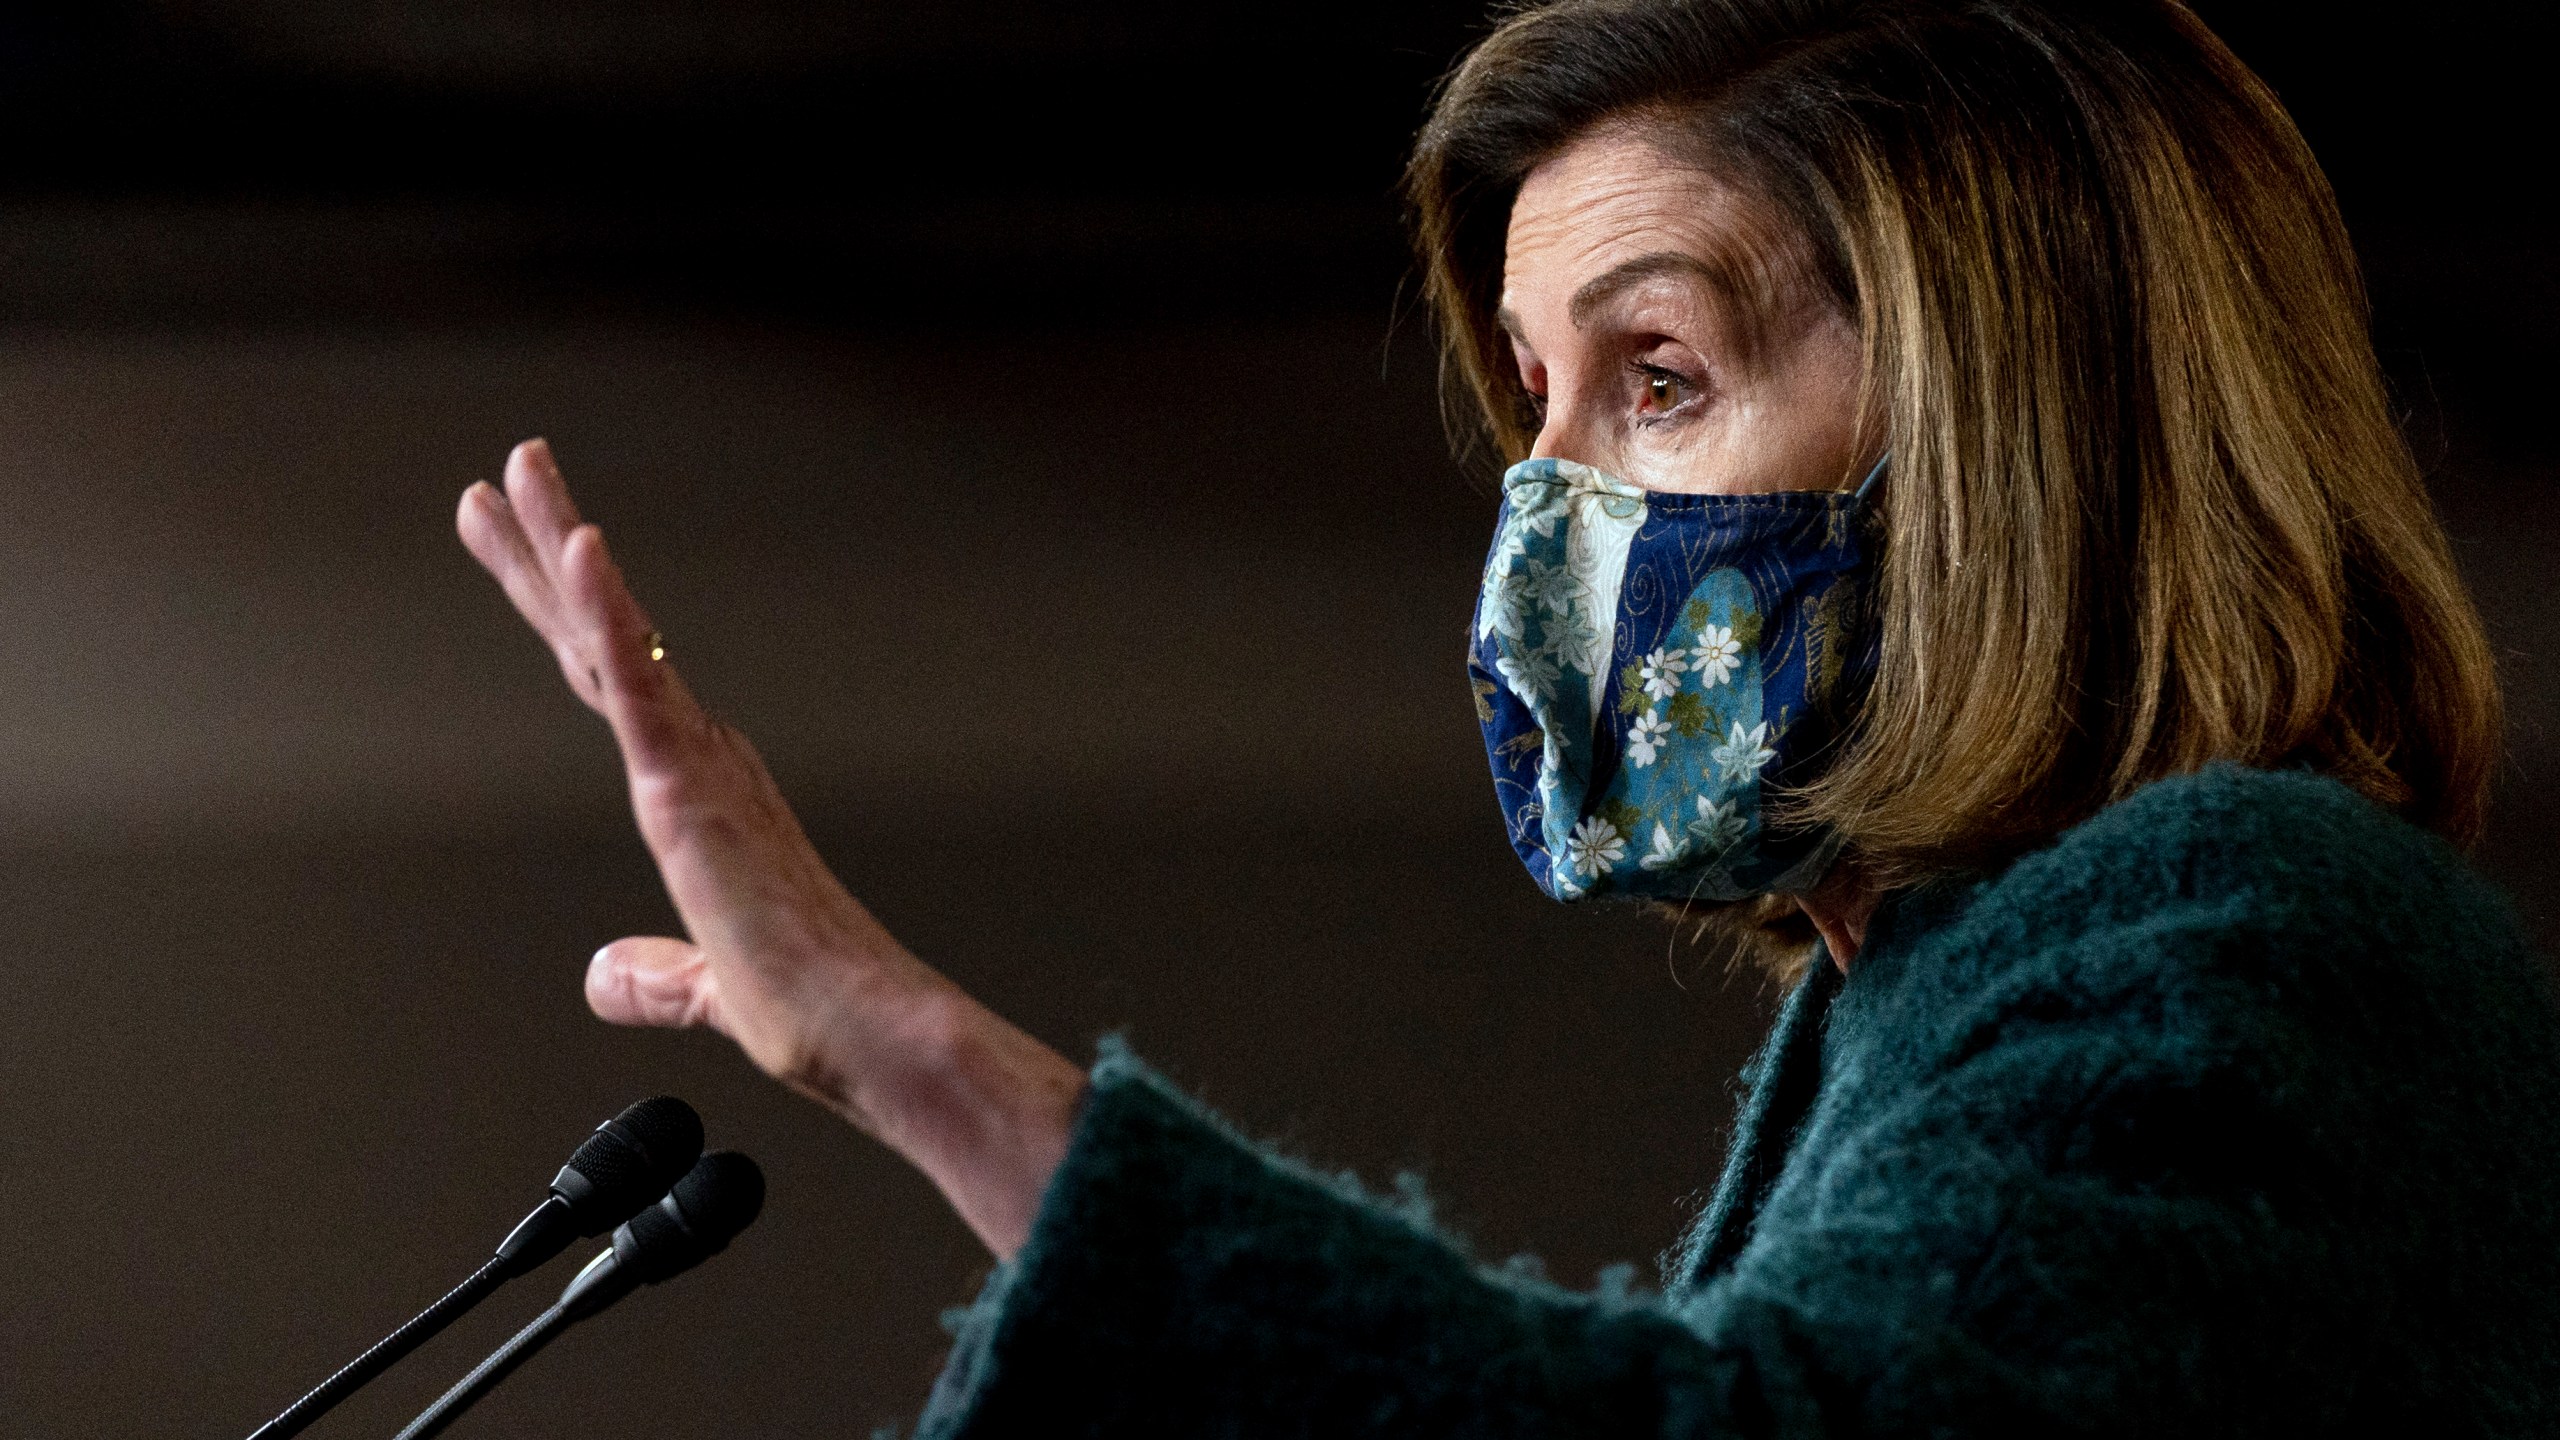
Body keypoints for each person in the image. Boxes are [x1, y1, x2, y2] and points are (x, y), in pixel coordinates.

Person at [455, 0, 2560, 1432]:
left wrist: (920, 1056)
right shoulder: (1913, 996)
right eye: (1536, 406)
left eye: (1660, 378)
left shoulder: (2272, 927)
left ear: (2021, 425)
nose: (1547, 517)